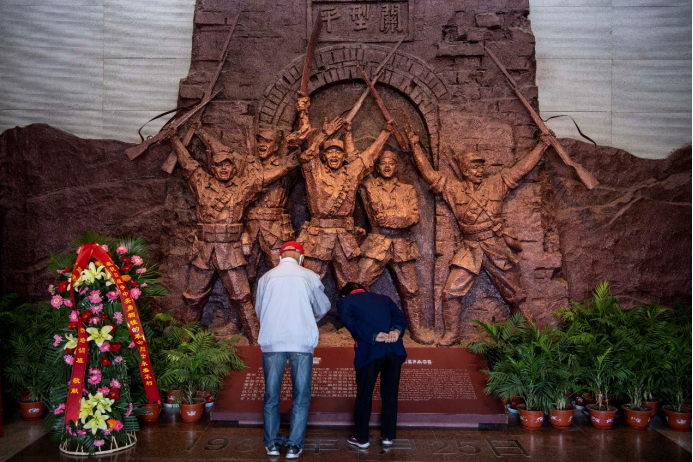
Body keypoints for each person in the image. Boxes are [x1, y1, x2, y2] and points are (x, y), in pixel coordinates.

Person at [406, 125, 553, 346]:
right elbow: (429, 175)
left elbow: (522, 169)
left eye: (481, 167)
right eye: (474, 168)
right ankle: (452, 334)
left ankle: (531, 335)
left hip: (495, 246)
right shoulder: (454, 189)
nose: (480, 171)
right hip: (470, 248)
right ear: (465, 171)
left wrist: (542, 145)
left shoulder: (497, 184)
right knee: (450, 292)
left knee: (516, 295)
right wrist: (415, 146)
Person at [170, 125, 303, 345]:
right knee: (193, 299)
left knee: (242, 298)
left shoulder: (243, 187)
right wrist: (174, 139)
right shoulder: (200, 181)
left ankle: (257, 343)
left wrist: (300, 152)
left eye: (228, 164)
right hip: (204, 251)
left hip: (230, 251)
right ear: (211, 167)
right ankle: (183, 345)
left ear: (234, 168)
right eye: (218, 165)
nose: (223, 168)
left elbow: (274, 173)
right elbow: (187, 162)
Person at [255, 240, 332, 459]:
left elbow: (260, 311)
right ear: (301, 258)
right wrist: (309, 317)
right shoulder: (309, 276)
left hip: (273, 341)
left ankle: (272, 444)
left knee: (271, 395)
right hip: (300, 341)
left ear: (280, 257)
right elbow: (323, 306)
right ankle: (293, 446)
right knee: (301, 395)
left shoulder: (266, 278)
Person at [297, 117, 393, 291]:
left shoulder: (351, 172)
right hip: (318, 237)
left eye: (338, 152)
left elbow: (370, 155)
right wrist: (323, 133)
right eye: (330, 152)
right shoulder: (315, 170)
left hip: (344, 239)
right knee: (307, 287)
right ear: (323, 156)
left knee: (351, 286)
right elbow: (307, 151)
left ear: (344, 156)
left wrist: (385, 133)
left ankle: (351, 310)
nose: (334, 156)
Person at [358, 150, 431, 344]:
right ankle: (359, 327)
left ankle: (417, 329)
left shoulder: (407, 189)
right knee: (359, 282)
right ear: (377, 166)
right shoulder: (369, 185)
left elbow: (414, 216)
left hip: (402, 245)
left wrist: (392, 220)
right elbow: (357, 161)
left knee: (411, 290)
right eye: (383, 163)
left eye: (391, 163)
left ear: (397, 167)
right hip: (377, 243)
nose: (387, 166)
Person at [337, 282, 407, 449]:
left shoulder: (345, 302)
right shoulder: (384, 299)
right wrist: (396, 330)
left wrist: (373, 335)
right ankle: (388, 436)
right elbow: (400, 317)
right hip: (394, 349)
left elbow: (351, 322)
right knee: (390, 394)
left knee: (364, 394)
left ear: (344, 294)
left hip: (369, 351)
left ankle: (361, 438)